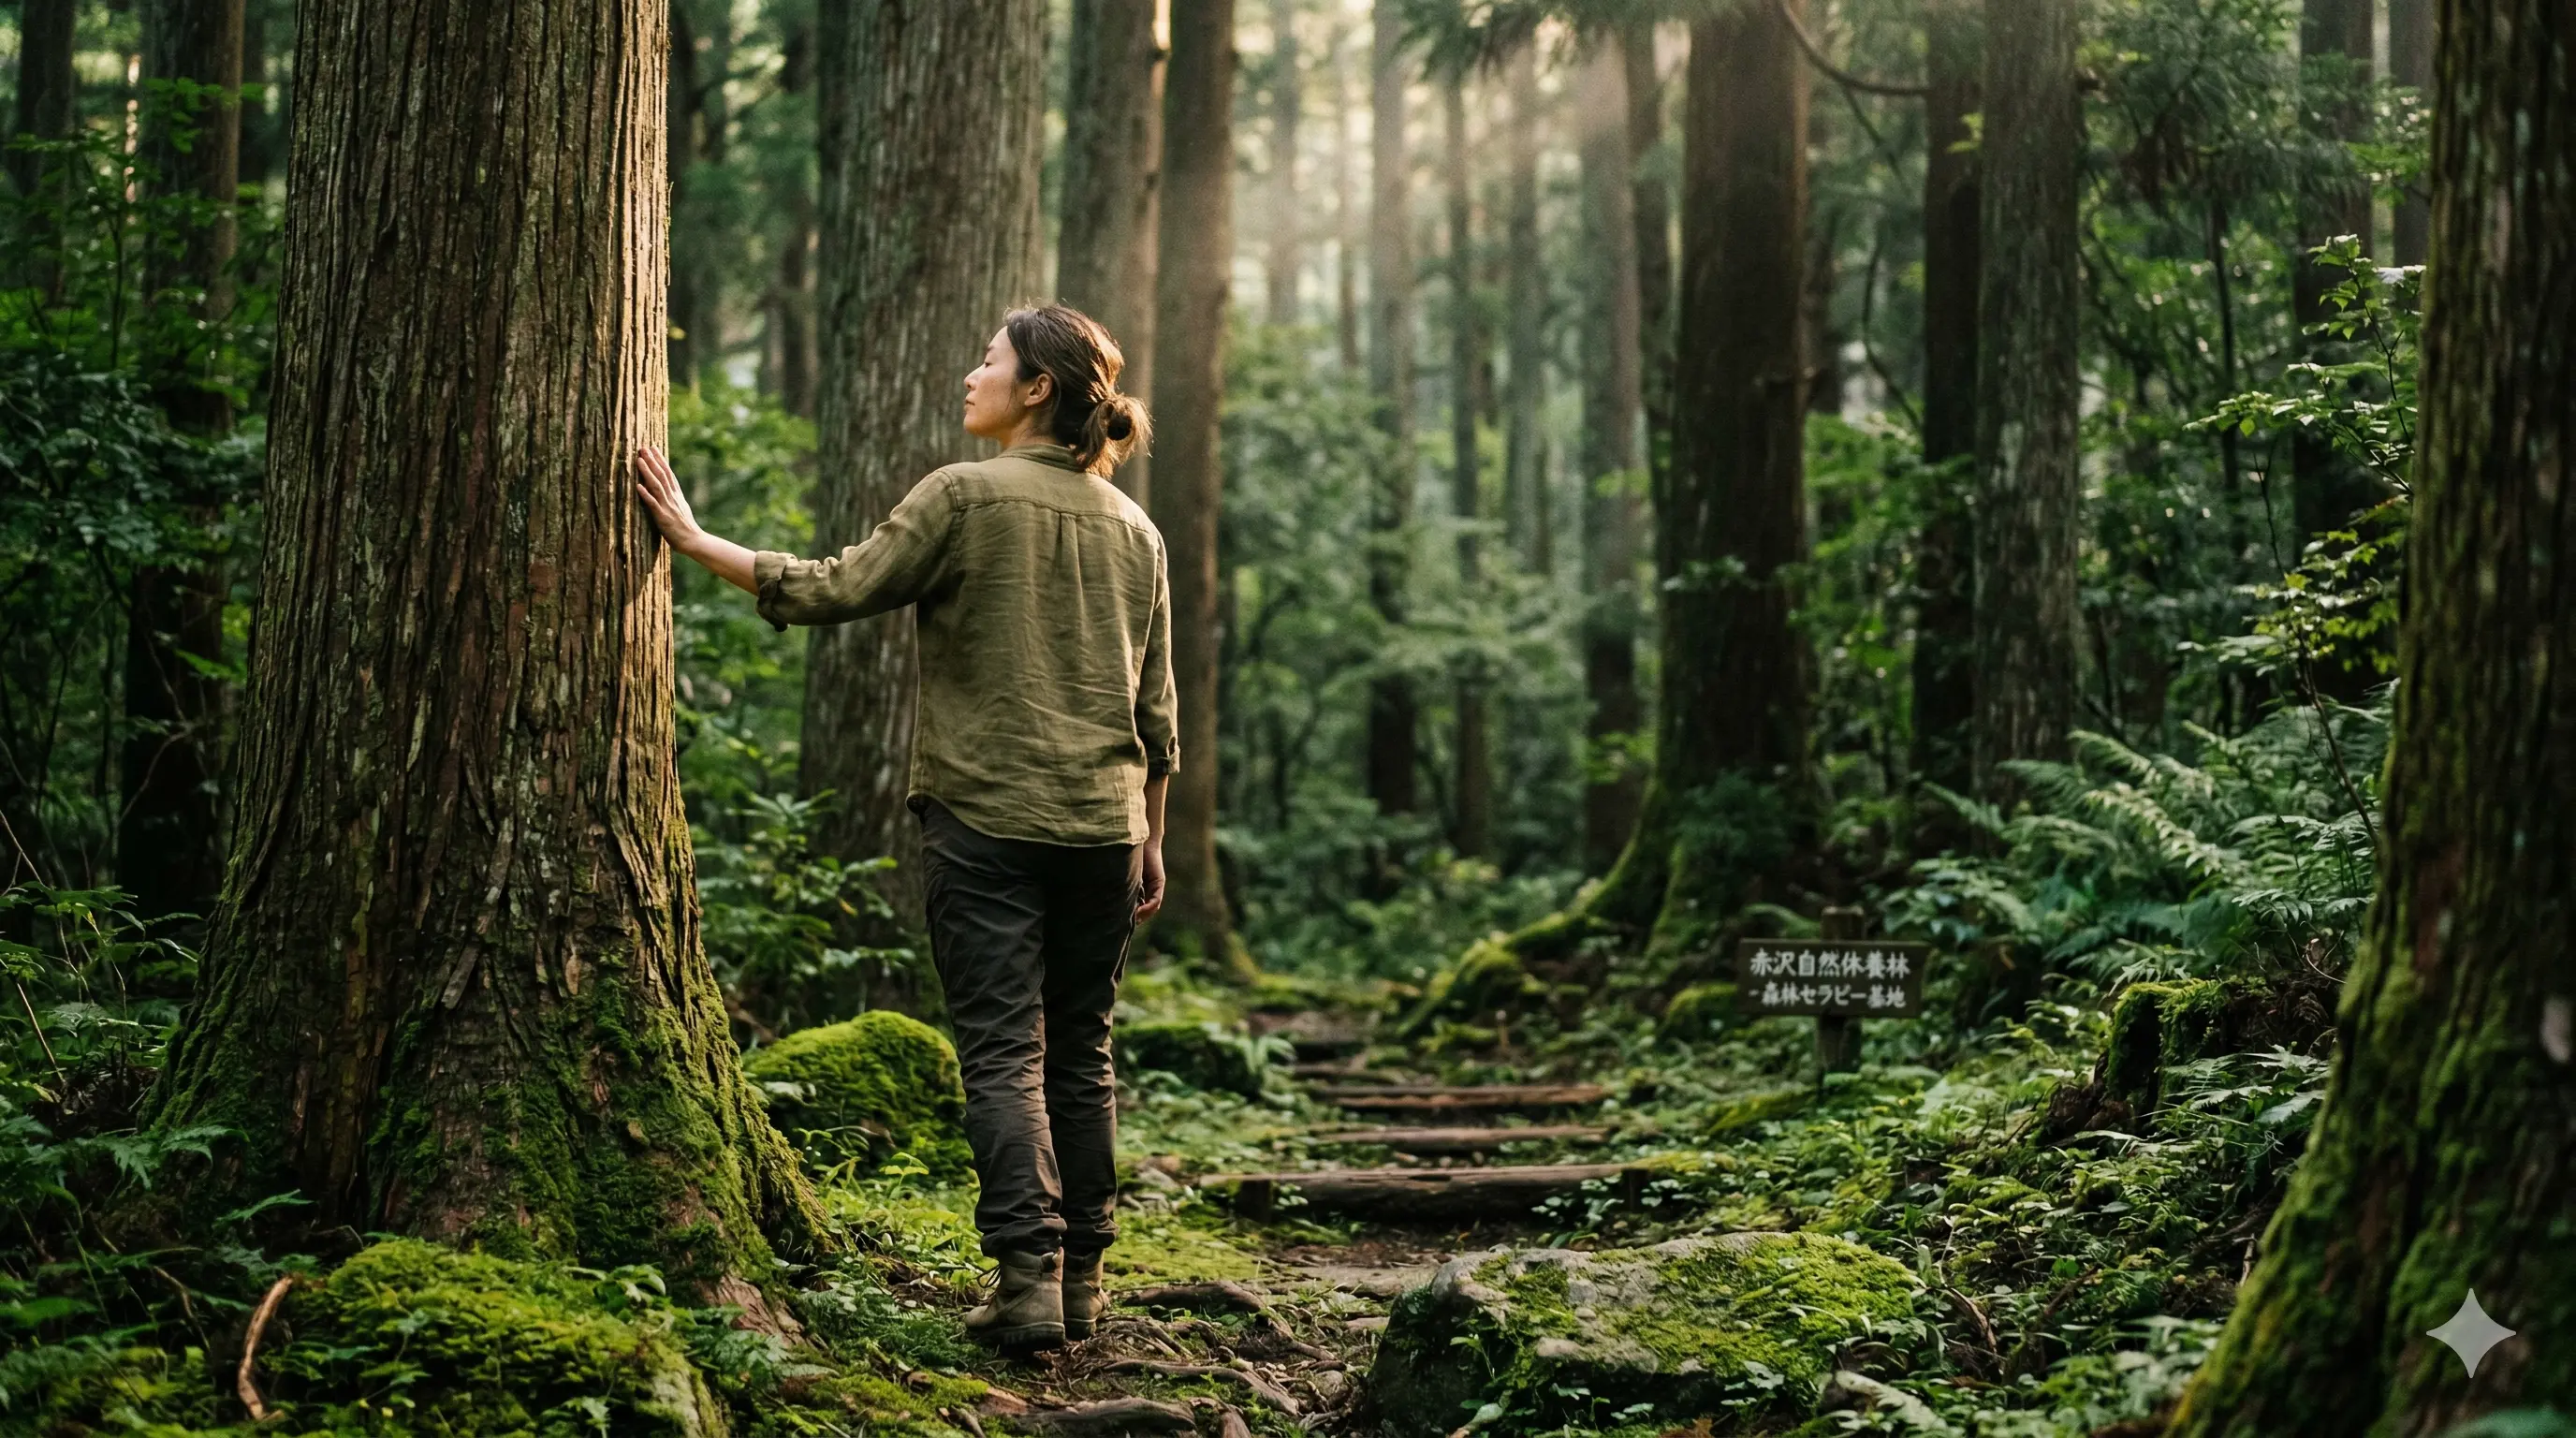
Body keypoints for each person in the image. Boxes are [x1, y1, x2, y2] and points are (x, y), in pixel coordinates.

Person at [635, 304, 1172, 1352]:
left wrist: (696, 541)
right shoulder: (1135, 529)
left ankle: (1027, 1284)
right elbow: (1159, 714)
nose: (971, 373)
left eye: (990, 359)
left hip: (988, 819)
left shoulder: (963, 496)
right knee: (1082, 1056)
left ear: (1037, 391)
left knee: (1005, 1055)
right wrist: (1150, 836)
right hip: (1105, 829)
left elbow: (838, 588)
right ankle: (1084, 1286)